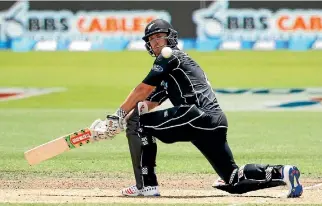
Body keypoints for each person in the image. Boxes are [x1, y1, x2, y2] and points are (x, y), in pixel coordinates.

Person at [90, 19, 303, 198]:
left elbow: (142, 89)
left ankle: (146, 185)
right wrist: (117, 125)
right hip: (214, 122)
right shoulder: (172, 72)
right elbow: (147, 103)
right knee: (233, 180)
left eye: (159, 37)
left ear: (169, 38)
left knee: (140, 126)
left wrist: (116, 116)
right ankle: (283, 172)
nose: (156, 43)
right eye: (151, 40)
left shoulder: (169, 56)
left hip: (196, 115)